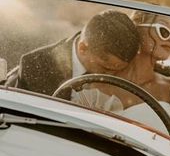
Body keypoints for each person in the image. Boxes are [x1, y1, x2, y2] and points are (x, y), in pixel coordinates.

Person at [6, 9, 140, 97]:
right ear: (82, 48)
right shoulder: (37, 66)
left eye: (118, 70)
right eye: (105, 68)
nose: (111, 76)